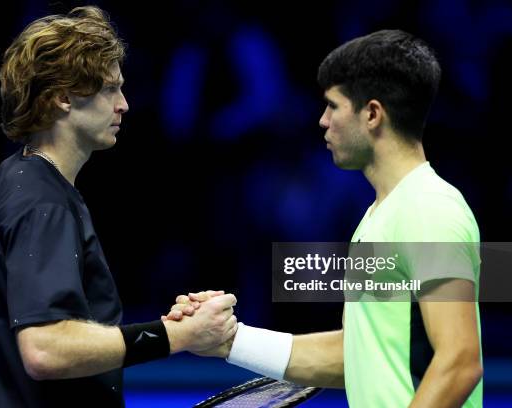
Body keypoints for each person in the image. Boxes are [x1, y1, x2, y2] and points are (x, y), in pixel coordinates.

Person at [167, 30, 483, 407]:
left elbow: (461, 361)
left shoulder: (430, 208)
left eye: (333, 106)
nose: (322, 121)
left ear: (372, 114)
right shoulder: (379, 216)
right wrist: (229, 340)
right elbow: (356, 357)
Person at [0, 6, 237, 407]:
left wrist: (167, 327)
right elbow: (45, 348)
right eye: (110, 89)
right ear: (62, 98)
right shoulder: (42, 202)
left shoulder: (18, 178)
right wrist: (178, 337)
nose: (123, 104)